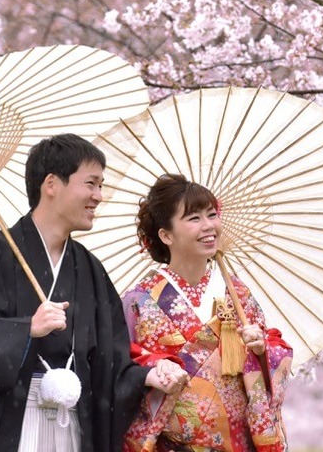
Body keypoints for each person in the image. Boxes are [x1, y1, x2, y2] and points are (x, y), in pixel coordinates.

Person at [0, 134, 187, 452]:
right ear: (52, 184)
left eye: (100, 186)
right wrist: (24, 329)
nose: (98, 196)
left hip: (73, 428)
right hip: (13, 427)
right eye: (91, 183)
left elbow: (112, 359)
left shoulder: (89, 268)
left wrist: (145, 378)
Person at [121, 173, 292, 452]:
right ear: (166, 235)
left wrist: (261, 351)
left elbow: (273, 356)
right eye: (194, 218)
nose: (209, 226)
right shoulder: (138, 301)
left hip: (235, 443)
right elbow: (122, 369)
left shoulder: (237, 294)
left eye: (212, 214)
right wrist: (155, 367)